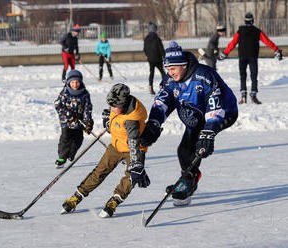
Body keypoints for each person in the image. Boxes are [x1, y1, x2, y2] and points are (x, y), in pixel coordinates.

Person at [140, 41, 238, 206]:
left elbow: (216, 106)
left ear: (184, 65)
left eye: (173, 69)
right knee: (184, 150)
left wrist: (208, 133)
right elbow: (162, 102)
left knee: (197, 146)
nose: (170, 73)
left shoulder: (204, 76)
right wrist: (154, 123)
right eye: (167, 69)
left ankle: (188, 181)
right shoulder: (170, 80)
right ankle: (189, 178)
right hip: (196, 117)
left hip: (224, 113)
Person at [61, 83, 150, 218]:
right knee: (100, 171)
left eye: (114, 106)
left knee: (131, 176)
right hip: (115, 146)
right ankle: (77, 197)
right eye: (110, 105)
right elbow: (117, 122)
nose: (111, 108)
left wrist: (136, 162)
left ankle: (114, 201)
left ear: (124, 104)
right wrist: (109, 123)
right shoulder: (118, 108)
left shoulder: (132, 121)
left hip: (134, 149)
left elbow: (133, 142)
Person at [221, 13, 283, 104]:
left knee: (243, 76)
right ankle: (253, 95)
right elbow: (267, 41)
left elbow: (232, 43)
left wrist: (225, 53)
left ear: (245, 21)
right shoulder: (257, 31)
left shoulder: (240, 31)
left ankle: (243, 96)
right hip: (253, 57)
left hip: (242, 57)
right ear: (252, 21)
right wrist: (276, 50)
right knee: (254, 76)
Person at [54, 69, 94, 168]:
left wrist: (88, 121)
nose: (75, 84)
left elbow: (87, 108)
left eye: (77, 82)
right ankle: (62, 157)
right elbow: (58, 105)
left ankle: (71, 154)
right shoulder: (65, 92)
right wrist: (69, 115)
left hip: (79, 122)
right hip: (66, 122)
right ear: (68, 82)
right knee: (65, 139)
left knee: (78, 139)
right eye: (72, 82)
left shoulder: (85, 94)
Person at [143, 22, 166, 95]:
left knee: (151, 73)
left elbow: (145, 49)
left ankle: (150, 87)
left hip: (150, 59)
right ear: (155, 30)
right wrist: (164, 56)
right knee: (162, 72)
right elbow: (161, 48)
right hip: (158, 59)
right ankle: (165, 86)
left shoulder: (146, 38)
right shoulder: (157, 38)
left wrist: (148, 55)